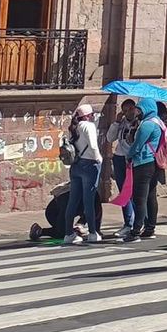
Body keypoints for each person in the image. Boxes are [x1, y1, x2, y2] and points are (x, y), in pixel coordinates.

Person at [61, 102, 103, 244]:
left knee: (73, 201)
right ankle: (92, 232)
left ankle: (68, 233)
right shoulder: (88, 126)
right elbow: (93, 145)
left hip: (76, 165)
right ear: (88, 116)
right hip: (89, 164)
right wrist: (99, 159)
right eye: (92, 115)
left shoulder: (74, 127)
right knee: (88, 201)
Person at [125, 99, 163, 241]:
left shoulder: (147, 124)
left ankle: (135, 231)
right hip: (154, 162)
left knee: (139, 198)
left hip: (143, 162)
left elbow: (137, 145)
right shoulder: (157, 121)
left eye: (140, 110)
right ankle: (150, 227)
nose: (137, 112)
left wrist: (129, 156)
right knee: (151, 196)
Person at [105, 99, 138, 238]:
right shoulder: (122, 123)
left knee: (135, 192)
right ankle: (128, 223)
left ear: (135, 109)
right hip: (119, 158)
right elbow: (109, 138)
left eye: (130, 109)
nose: (127, 113)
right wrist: (116, 122)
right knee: (123, 192)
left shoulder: (140, 123)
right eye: (124, 110)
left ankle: (138, 222)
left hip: (132, 159)